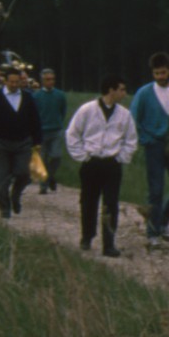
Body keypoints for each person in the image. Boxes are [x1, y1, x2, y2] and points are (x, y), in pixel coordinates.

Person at [65, 78, 137, 256]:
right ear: (111, 90)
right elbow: (72, 134)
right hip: (92, 162)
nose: (124, 94)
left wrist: (120, 157)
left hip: (112, 164)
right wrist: (83, 156)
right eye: (122, 89)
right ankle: (87, 236)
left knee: (111, 204)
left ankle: (109, 243)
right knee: (88, 201)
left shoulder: (124, 114)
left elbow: (131, 139)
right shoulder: (87, 110)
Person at [129, 54, 169, 248]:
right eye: (156, 73)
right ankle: (152, 231)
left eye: (163, 72)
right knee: (155, 190)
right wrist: (144, 138)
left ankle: (164, 220)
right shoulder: (144, 93)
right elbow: (133, 118)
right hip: (154, 146)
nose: (160, 77)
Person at [0, 64, 44, 219]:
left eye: (17, 82)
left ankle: (15, 195)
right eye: (11, 82)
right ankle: (4, 208)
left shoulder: (27, 98)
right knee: (2, 176)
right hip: (0, 143)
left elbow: (35, 120)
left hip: (22, 142)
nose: (14, 85)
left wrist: (37, 141)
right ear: (5, 82)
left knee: (24, 173)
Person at [31, 69, 71, 194]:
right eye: (47, 79)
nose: (50, 82)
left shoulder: (59, 95)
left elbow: (63, 110)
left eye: (52, 79)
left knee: (56, 156)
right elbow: (33, 114)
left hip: (56, 130)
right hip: (41, 131)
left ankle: (50, 176)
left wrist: (58, 122)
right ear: (42, 81)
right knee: (42, 159)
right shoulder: (36, 96)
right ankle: (43, 185)